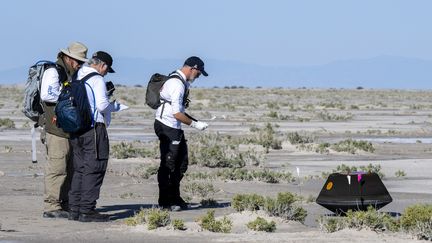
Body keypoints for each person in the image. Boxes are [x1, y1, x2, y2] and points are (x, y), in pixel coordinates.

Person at [68, 51, 122, 222]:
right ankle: (87, 210)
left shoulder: (77, 74)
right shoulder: (98, 79)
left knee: (79, 169)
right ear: (102, 65)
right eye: (107, 69)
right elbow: (101, 105)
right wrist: (115, 107)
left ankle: (74, 209)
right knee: (95, 167)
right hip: (93, 128)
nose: (106, 72)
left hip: (76, 128)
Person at [40, 42, 88, 218]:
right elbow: (47, 95)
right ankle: (51, 206)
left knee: (70, 168)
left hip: (69, 129)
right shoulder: (54, 71)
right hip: (55, 130)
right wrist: (69, 97)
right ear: (68, 58)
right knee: (57, 167)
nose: (80, 64)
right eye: (78, 61)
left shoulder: (72, 73)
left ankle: (65, 203)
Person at [154, 56, 209, 211]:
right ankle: (165, 202)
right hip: (167, 126)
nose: (198, 77)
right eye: (198, 73)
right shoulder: (177, 84)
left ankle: (174, 197)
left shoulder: (179, 81)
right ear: (193, 68)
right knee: (169, 164)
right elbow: (177, 113)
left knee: (181, 163)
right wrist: (195, 124)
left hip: (173, 127)